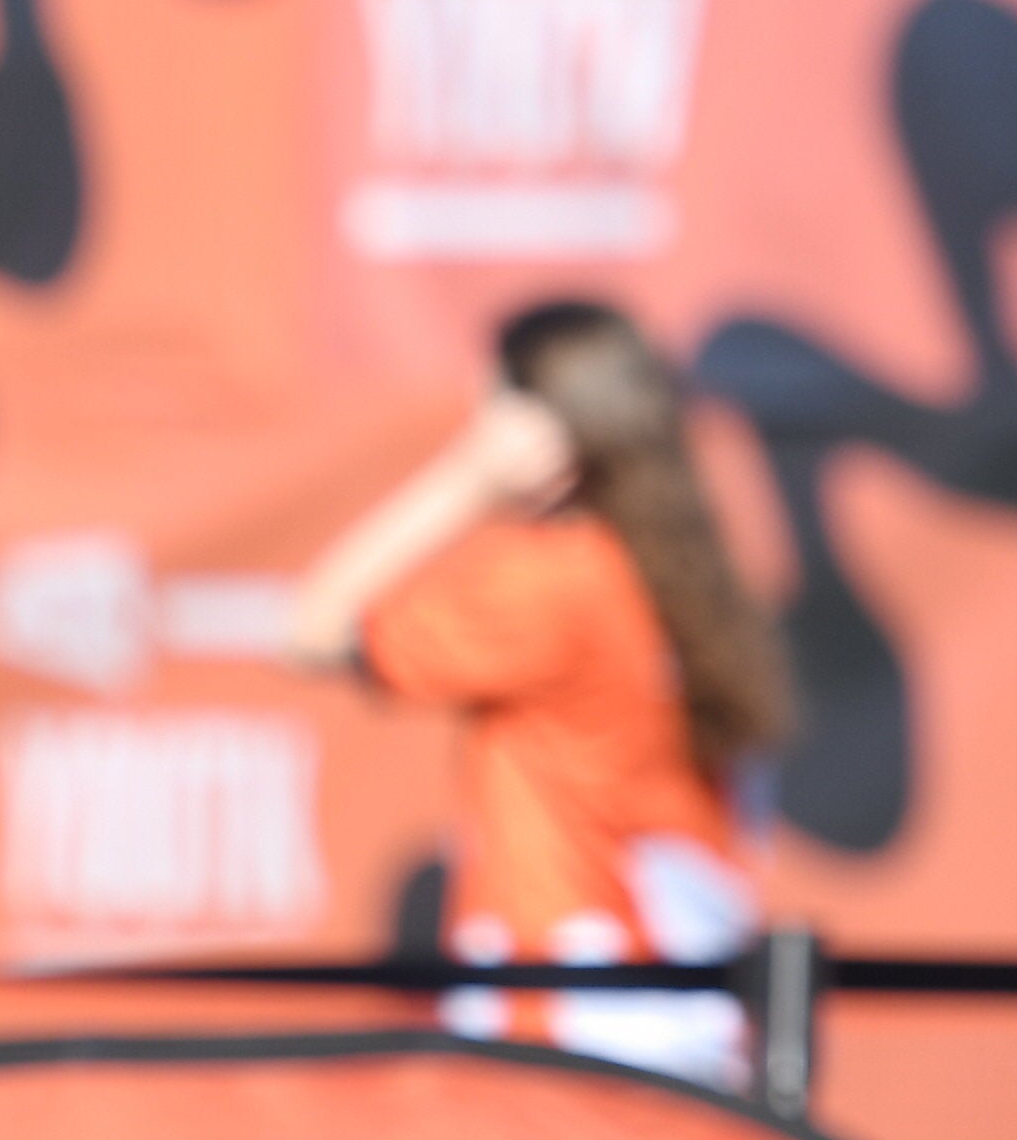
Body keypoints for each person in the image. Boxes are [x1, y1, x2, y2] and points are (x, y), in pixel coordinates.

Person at [268, 300, 787, 1087]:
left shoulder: (551, 582)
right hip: (683, 1014)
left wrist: (467, 478)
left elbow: (311, 626)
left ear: (540, 429)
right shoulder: (688, 581)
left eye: (493, 408)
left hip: (567, 1017)